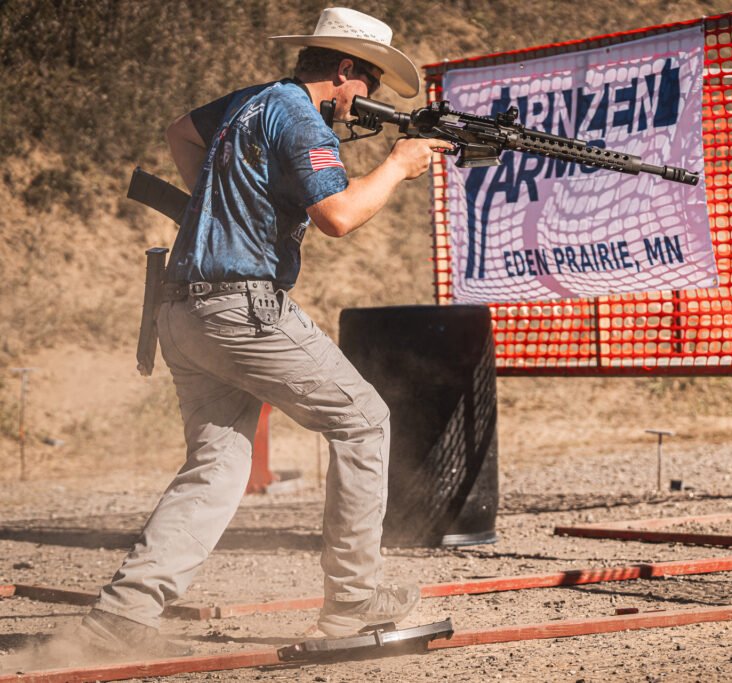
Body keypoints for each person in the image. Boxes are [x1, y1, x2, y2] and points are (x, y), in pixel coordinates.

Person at [75, 7, 453, 657]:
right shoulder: (303, 118)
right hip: (240, 306)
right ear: (345, 70)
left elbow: (179, 133)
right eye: (368, 87)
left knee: (218, 465)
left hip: (183, 308)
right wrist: (397, 165)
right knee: (362, 419)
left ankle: (121, 615)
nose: (365, 102)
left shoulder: (254, 101)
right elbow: (338, 216)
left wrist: (224, 204)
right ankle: (354, 600)